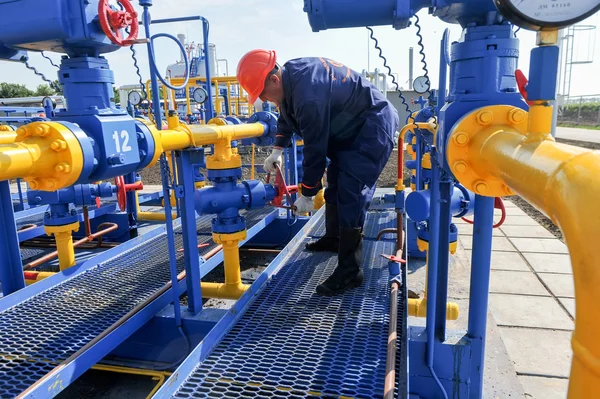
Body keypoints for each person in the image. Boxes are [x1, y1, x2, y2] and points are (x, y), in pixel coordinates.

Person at [237, 50, 399, 296]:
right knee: (335, 183)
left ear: (273, 79)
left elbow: (315, 149)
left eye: (262, 93)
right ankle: (334, 239)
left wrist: (308, 193)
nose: (264, 99)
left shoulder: (308, 94)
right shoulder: (291, 77)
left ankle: (350, 271)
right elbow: (285, 113)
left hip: (372, 127)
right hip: (350, 126)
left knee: (351, 190)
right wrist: (277, 149)